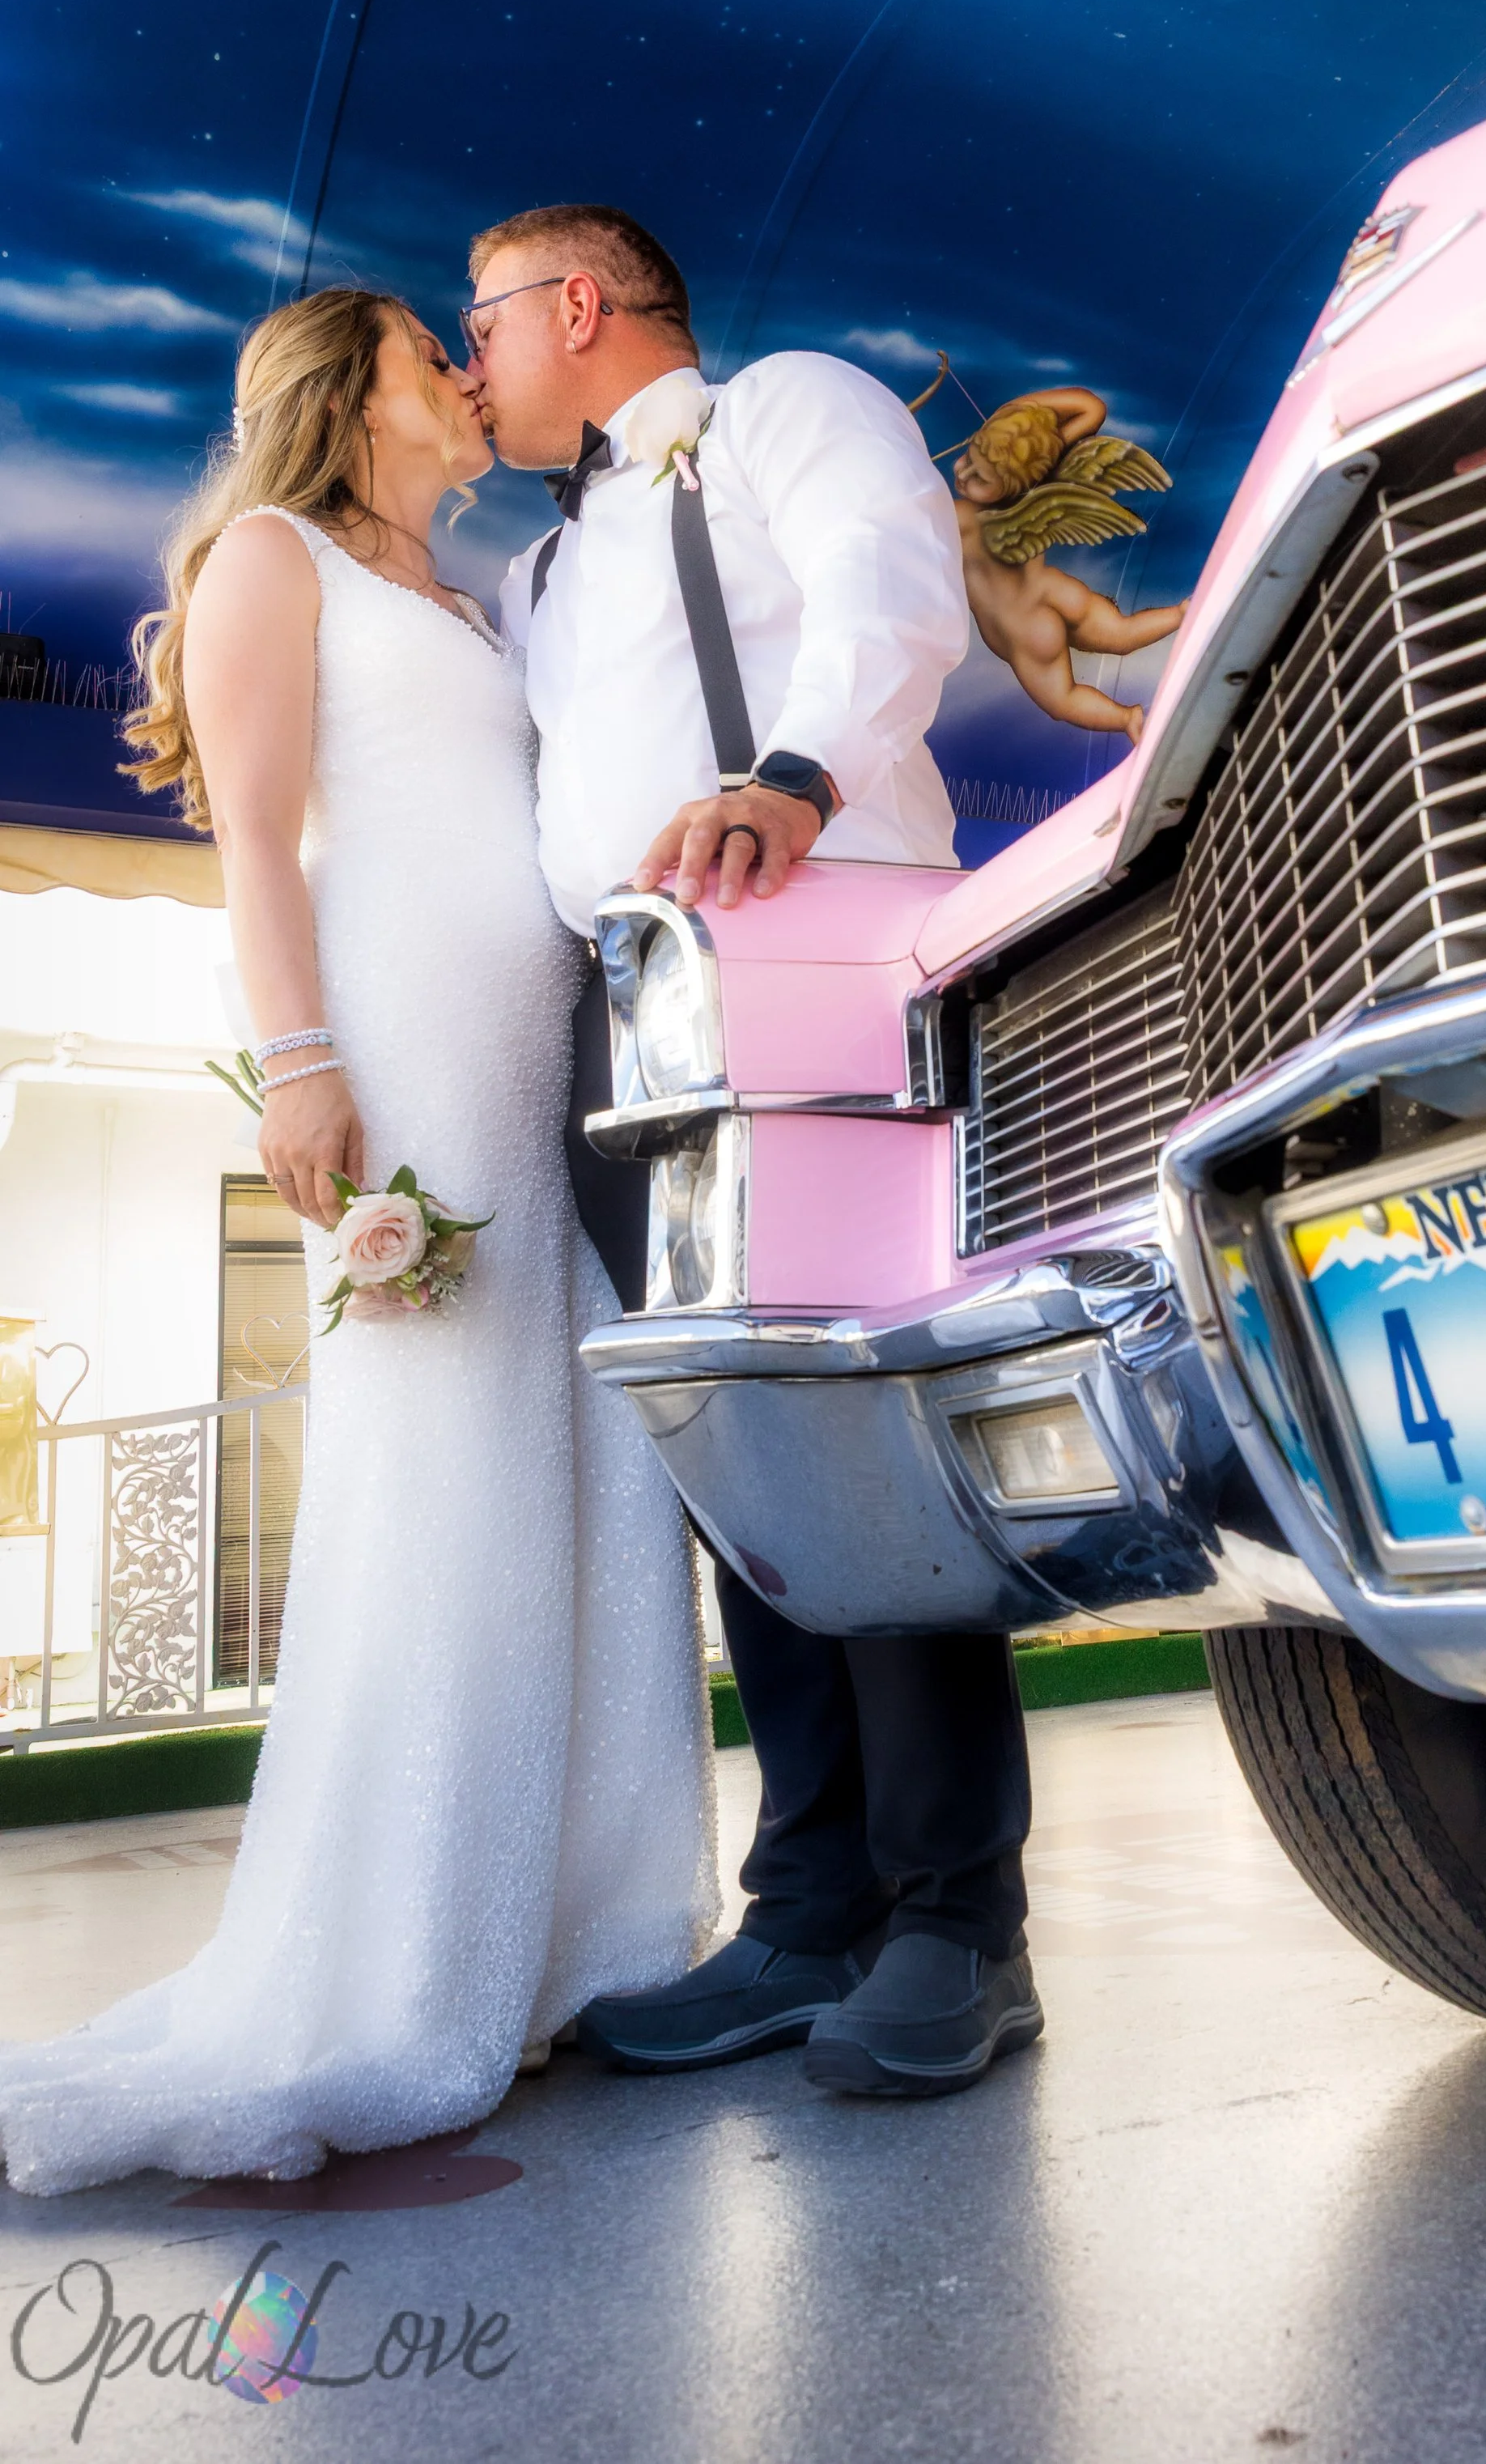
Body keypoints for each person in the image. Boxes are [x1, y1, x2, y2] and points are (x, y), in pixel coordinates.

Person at [0, 289, 716, 2195]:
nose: (468, 376)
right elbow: (256, 835)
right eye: (434, 350)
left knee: (576, 1471)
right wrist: (300, 1068)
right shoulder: (269, 553)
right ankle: (405, 1970)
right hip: (400, 1056)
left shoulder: (472, 589)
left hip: (534, 1057)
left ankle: (584, 1937)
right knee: (445, 1477)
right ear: (354, 386)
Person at [469, 200, 1043, 2098]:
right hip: (625, 1018)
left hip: (810, 960)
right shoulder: (539, 571)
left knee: (865, 1439)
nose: (470, 359)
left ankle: (960, 1919)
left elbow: (893, 591)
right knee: (739, 1469)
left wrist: (787, 776)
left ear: (577, 301)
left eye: (480, 319)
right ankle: (806, 1910)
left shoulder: (788, 403)